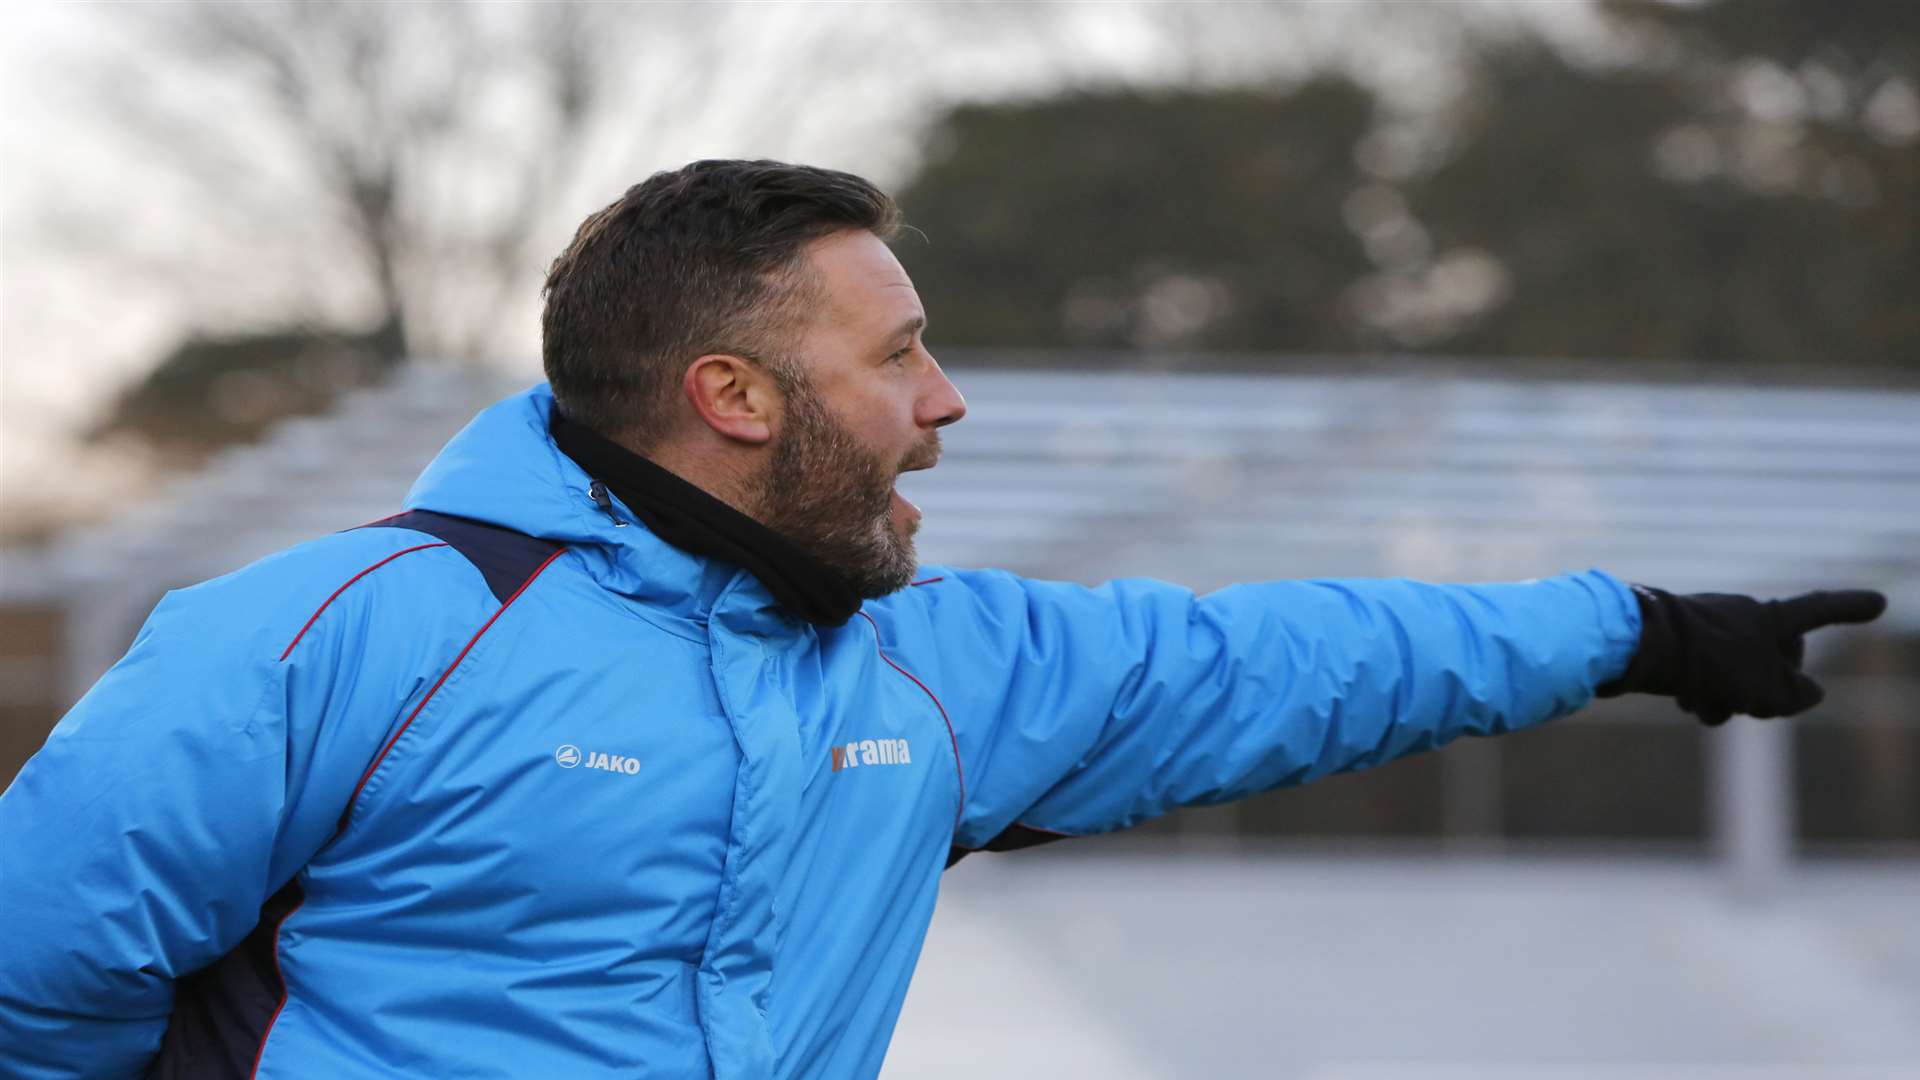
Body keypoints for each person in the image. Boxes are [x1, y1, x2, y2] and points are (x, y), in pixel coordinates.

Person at [0, 160, 1886, 1080]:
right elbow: (35, 967)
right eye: (898, 352)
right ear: (738, 397)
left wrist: (1632, 628)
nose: (947, 398)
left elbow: (1296, 664)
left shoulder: (946, 664)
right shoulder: (345, 627)